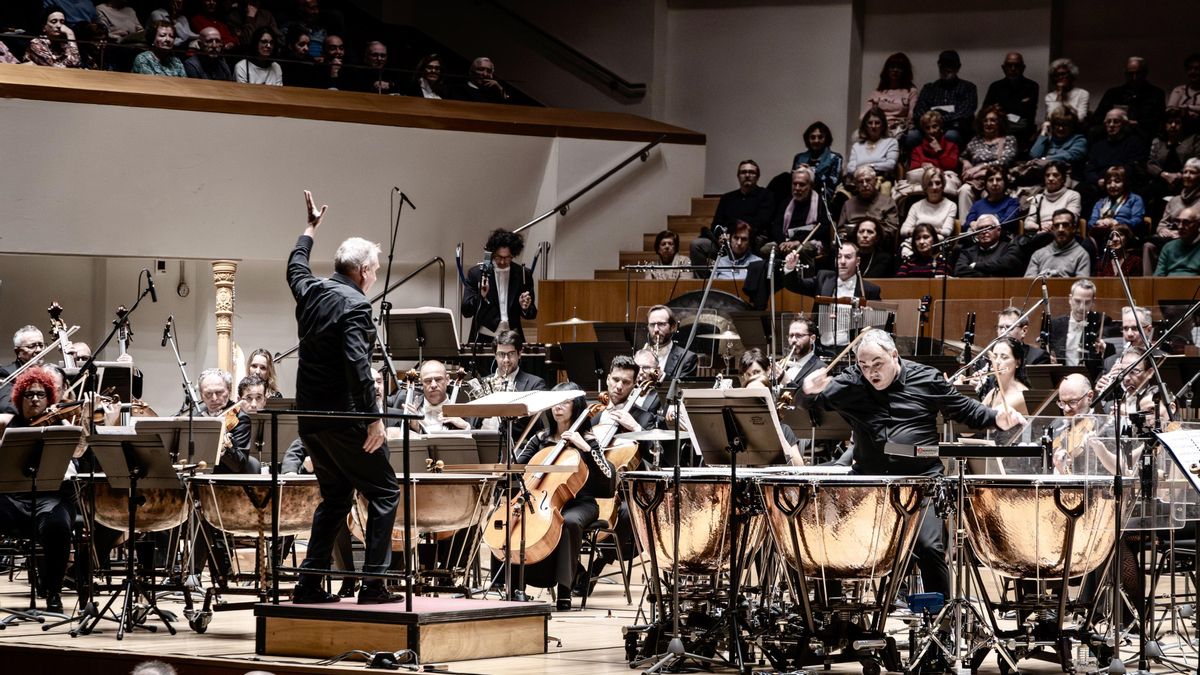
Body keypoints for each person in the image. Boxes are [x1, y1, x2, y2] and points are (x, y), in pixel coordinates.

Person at [800, 330, 1024, 600]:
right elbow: (812, 403)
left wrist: (997, 417)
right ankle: (842, 616)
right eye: (864, 365)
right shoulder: (851, 382)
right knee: (836, 541)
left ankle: (938, 618)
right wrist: (806, 390)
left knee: (929, 547)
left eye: (877, 363)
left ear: (894, 356)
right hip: (870, 485)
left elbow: (964, 409)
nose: (871, 372)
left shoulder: (926, 378)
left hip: (922, 483)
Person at [288, 189, 399, 605]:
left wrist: (310, 229)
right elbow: (357, 366)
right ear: (365, 270)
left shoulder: (310, 291)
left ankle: (309, 583)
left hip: (310, 421)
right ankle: (374, 585)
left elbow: (294, 266)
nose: (373, 277)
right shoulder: (355, 305)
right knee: (385, 491)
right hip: (344, 419)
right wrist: (374, 419)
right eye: (374, 270)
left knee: (335, 497)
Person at [510, 382, 611, 611]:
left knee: (569, 523)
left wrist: (585, 448)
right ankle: (516, 586)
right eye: (555, 402)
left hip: (579, 502)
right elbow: (517, 468)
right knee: (519, 519)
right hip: (542, 499)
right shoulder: (540, 438)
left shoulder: (588, 439)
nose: (558, 407)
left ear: (576, 406)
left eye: (565, 402)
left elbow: (607, 477)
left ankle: (565, 591)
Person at [0, 366, 75, 614]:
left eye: (40, 395)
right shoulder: (8, 425)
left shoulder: (60, 426)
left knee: (59, 527)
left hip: (49, 498)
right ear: (19, 397)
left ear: (49, 399)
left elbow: (79, 452)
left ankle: (53, 592)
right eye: (29, 394)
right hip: (13, 499)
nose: (34, 399)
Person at [782, 242, 881, 348]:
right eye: (839, 257)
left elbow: (879, 325)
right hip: (820, 347)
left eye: (848, 257)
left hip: (852, 349)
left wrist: (870, 316)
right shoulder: (823, 279)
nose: (842, 261)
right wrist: (789, 268)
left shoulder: (870, 290)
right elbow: (795, 285)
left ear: (857, 261)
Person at [462, 228, 537, 343]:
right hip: (484, 337)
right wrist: (481, 295)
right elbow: (466, 311)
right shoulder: (477, 274)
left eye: (507, 258)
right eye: (498, 257)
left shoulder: (523, 274)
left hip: (512, 338)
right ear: (492, 254)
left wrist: (525, 307)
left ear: (513, 255)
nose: (502, 262)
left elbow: (532, 314)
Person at [695, 159, 774, 268]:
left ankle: (745, 280)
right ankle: (710, 281)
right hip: (724, 241)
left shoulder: (766, 195)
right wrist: (720, 235)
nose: (747, 175)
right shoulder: (727, 198)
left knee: (746, 241)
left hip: (751, 239)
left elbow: (762, 222)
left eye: (751, 172)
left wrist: (735, 235)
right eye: (743, 172)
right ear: (738, 176)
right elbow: (716, 224)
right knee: (697, 245)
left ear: (757, 176)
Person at [908, 50, 978, 148]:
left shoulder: (968, 88)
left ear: (958, 67)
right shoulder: (929, 88)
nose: (946, 68)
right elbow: (919, 111)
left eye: (950, 65)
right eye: (943, 65)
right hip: (929, 129)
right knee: (912, 136)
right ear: (939, 66)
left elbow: (965, 113)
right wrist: (932, 124)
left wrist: (939, 121)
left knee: (951, 135)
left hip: (955, 130)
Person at [1092, 56, 1166, 148]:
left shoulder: (1156, 94)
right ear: (1125, 74)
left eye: (1138, 74)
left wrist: (1137, 123)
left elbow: (1159, 120)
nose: (1134, 78)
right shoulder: (1113, 93)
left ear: (1145, 73)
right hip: (1115, 133)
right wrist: (1113, 121)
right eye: (1130, 74)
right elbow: (1097, 117)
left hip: (1143, 133)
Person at [958, 105, 1019, 216]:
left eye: (992, 120)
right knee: (964, 190)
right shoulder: (976, 140)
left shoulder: (1008, 140)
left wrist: (982, 167)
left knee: (989, 195)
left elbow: (1006, 161)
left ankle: (988, 228)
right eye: (985, 120)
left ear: (999, 123)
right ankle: (965, 229)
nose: (988, 123)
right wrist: (965, 161)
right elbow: (962, 156)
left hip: (996, 180)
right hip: (976, 180)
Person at [1082, 108, 1149, 204]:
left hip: (1123, 182)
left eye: (1116, 122)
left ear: (1124, 124)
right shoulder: (1097, 146)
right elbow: (1089, 169)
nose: (1111, 125)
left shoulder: (1134, 143)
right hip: (1100, 184)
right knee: (1082, 188)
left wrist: (1111, 180)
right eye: (1108, 122)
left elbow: (1133, 167)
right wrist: (1098, 180)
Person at [767, 166, 832, 261]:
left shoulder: (821, 203)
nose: (797, 188)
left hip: (810, 241)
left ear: (811, 185)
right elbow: (776, 226)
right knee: (766, 250)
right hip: (786, 241)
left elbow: (823, 228)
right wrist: (782, 242)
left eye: (802, 185)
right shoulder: (786, 202)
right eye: (794, 184)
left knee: (802, 250)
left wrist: (798, 241)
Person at [1147, 157, 1200, 273]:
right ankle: (1149, 284)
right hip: (1171, 240)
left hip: (1195, 241)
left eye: (1192, 172)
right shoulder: (1174, 200)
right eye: (1185, 172)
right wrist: (1163, 230)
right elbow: (1161, 225)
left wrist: (1184, 231)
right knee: (1148, 246)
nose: (1187, 175)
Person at [1049, 279, 1113, 370]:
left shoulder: (1101, 321)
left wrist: (1105, 349)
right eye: (1077, 301)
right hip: (1061, 377)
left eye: (1087, 302)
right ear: (1070, 299)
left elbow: (1111, 353)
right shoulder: (1055, 324)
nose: (1082, 307)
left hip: (1090, 378)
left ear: (1093, 302)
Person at [982, 52, 1039, 145]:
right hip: (999, 127)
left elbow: (1029, 112)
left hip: (1022, 129)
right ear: (1003, 68)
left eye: (1017, 65)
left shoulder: (1032, 86)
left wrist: (1000, 109)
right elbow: (985, 110)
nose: (1013, 69)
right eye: (1009, 65)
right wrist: (1018, 106)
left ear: (1023, 67)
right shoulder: (995, 86)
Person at [836, 166, 898, 248]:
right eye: (860, 182)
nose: (865, 184)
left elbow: (892, 229)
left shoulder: (888, 202)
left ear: (875, 181)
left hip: (879, 246)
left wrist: (872, 234)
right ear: (856, 184)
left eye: (868, 180)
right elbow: (841, 229)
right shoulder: (848, 204)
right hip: (853, 245)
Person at [899, 167, 957, 254]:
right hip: (915, 244)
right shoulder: (916, 206)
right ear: (925, 187)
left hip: (937, 246)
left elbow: (946, 232)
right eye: (930, 184)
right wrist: (936, 231)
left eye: (938, 183)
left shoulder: (951, 205)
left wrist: (916, 230)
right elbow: (903, 231)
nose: (934, 187)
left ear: (943, 185)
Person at [405, 360, 471, 433]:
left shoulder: (465, 409)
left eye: (438, 379)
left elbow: (479, 438)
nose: (433, 385)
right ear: (421, 383)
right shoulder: (408, 405)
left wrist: (466, 426)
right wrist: (416, 428)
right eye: (428, 381)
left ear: (447, 380)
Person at [1027, 106, 1089, 181]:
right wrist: (1043, 133)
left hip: (1066, 179)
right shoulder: (1048, 138)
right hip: (1042, 178)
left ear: (1072, 126)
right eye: (1058, 124)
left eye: (1065, 125)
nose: (1060, 128)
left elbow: (1072, 155)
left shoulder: (1079, 140)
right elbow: (1034, 155)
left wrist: (1047, 160)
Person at [1088, 165, 1146, 243]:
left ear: (1125, 183)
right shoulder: (1100, 202)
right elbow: (1091, 222)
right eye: (1109, 182)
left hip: (1125, 237)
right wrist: (1098, 223)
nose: (1112, 185)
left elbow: (1137, 221)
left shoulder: (1135, 199)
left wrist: (1117, 222)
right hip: (1102, 237)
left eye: (1117, 181)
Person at [865, 52, 918, 139]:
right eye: (892, 67)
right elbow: (864, 115)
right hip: (878, 127)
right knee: (856, 136)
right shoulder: (877, 92)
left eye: (899, 67)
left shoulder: (911, 91)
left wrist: (902, 125)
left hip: (899, 127)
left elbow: (911, 116)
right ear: (887, 70)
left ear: (905, 71)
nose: (895, 70)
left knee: (912, 136)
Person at [1026, 209, 1092, 278]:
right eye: (1057, 225)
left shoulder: (1082, 255)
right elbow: (1027, 285)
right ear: (1052, 229)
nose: (1060, 229)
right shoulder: (1038, 254)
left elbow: (1082, 286)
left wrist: (1060, 280)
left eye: (1065, 225)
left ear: (1074, 228)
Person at [953, 214, 1022, 278]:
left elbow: (1007, 266)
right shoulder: (967, 252)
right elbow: (959, 271)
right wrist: (988, 275)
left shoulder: (1009, 247)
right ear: (976, 233)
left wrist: (975, 266)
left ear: (998, 230)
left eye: (988, 227)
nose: (984, 231)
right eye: (980, 229)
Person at [1023, 160, 1083, 234]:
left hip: (1062, 235)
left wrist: (1049, 227)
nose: (1050, 178)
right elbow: (1027, 223)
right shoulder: (1037, 198)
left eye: (1055, 175)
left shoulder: (1073, 195)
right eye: (1047, 175)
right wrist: (1039, 227)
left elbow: (1070, 220)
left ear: (1063, 178)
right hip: (1040, 235)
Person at [791, 121, 842, 202]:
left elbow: (832, 184)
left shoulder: (835, 158)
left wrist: (811, 174)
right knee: (783, 178)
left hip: (823, 198)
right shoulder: (799, 157)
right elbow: (793, 181)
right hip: (800, 195)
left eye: (820, 137)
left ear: (826, 139)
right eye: (813, 137)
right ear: (808, 139)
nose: (816, 140)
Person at [978, 337, 1030, 415]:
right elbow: (975, 414)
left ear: (1018, 363)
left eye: (1004, 357)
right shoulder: (994, 391)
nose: (997, 362)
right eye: (994, 357)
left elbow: (989, 418)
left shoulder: (1020, 395)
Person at [644, 305, 697, 380]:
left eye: (661, 324)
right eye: (652, 325)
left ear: (672, 327)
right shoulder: (641, 354)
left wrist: (661, 376)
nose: (656, 330)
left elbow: (682, 388)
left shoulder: (687, 358)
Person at [963, 165, 1020, 234]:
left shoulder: (1013, 203)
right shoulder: (978, 204)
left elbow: (1006, 223)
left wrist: (979, 225)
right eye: (990, 180)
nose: (994, 183)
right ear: (986, 184)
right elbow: (967, 224)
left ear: (1005, 183)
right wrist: (972, 224)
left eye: (998, 179)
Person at [846, 108, 900, 179]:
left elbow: (890, 164)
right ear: (865, 126)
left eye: (877, 123)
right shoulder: (857, 146)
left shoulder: (891, 142)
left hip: (881, 180)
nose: (873, 126)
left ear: (883, 125)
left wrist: (869, 167)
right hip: (859, 180)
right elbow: (850, 168)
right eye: (870, 123)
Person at [778, 318, 823, 389]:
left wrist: (788, 382)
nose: (793, 340)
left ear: (812, 339)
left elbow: (814, 399)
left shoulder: (820, 368)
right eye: (791, 336)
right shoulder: (784, 364)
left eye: (799, 336)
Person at [1155, 205, 1200, 275]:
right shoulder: (1168, 247)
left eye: (1186, 222)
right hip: (1168, 285)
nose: (1180, 226)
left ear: (1198, 224)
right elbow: (1158, 276)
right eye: (1178, 221)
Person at [1044, 58, 1089, 123]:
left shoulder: (1083, 93)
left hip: (1075, 129)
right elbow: (1050, 117)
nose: (1060, 77)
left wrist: (1065, 104)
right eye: (1056, 75)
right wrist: (1059, 94)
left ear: (1071, 75)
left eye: (1063, 74)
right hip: (1056, 129)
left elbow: (1081, 118)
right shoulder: (1050, 96)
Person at [1167, 53, 1200, 126]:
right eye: (1190, 69)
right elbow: (1170, 110)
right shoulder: (1179, 90)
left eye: (1197, 69)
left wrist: (1187, 108)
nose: (1193, 72)